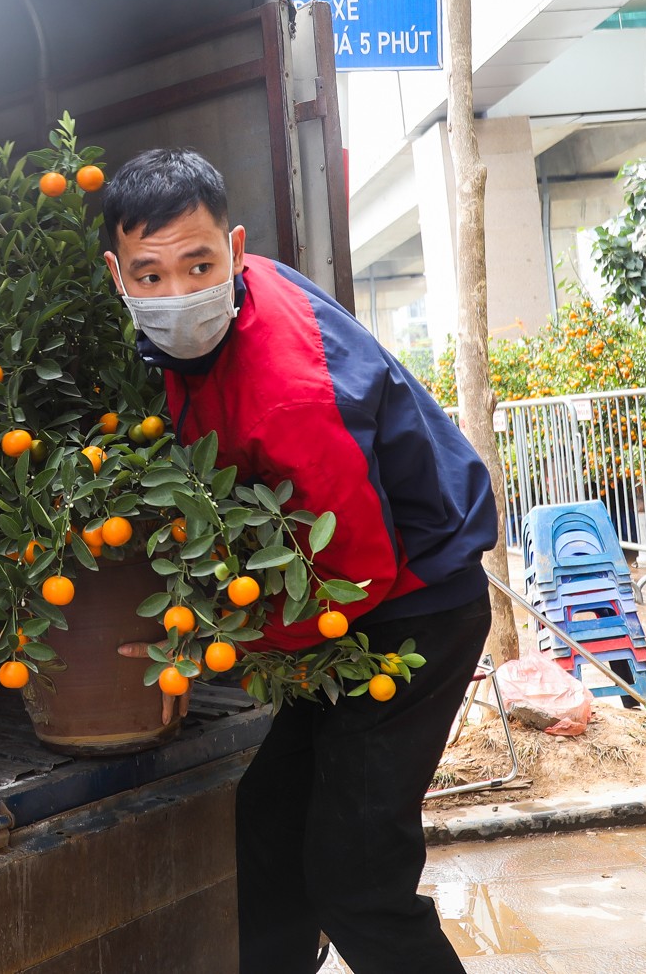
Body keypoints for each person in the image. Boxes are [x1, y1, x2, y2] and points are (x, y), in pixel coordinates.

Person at [100, 148, 495, 974]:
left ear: (235, 251)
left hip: (409, 606)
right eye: (152, 273)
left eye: (199, 265)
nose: (178, 292)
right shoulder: (212, 323)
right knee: (270, 826)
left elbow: (349, 570)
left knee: (356, 876)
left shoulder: (289, 391)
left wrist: (213, 642)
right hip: (350, 604)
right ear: (119, 275)